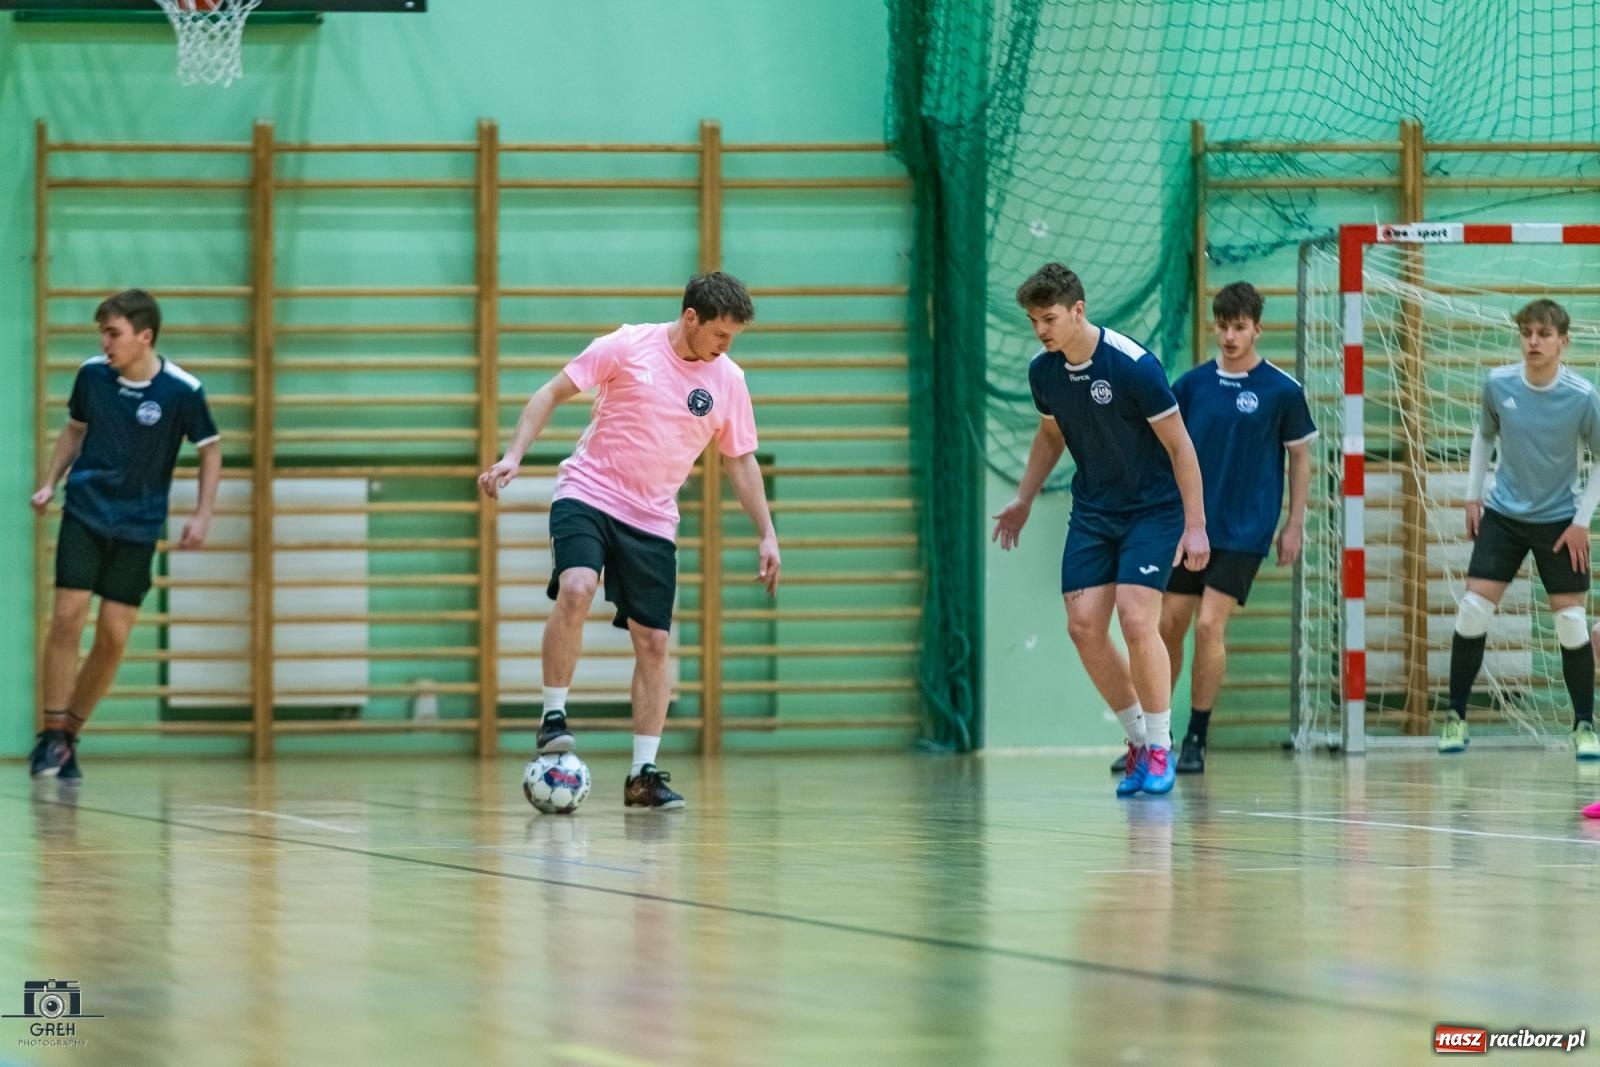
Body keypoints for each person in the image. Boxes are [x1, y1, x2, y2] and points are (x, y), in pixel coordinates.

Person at [479, 271, 781, 811]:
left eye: (732, 338)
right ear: (691, 318)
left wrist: (767, 533)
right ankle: (553, 717)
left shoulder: (728, 380)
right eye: (719, 335)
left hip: (653, 517)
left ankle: (643, 775)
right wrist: (512, 456)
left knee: (655, 642)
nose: (724, 346)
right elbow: (551, 391)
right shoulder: (626, 345)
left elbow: (739, 459)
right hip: (588, 492)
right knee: (575, 588)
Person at [992, 263, 1209, 797]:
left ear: (1078, 310)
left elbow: (1181, 446)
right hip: (1093, 510)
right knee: (1084, 627)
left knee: (1138, 619)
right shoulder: (1044, 372)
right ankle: (1137, 740)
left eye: (1049, 318)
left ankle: (1161, 746)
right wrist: (1023, 498)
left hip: (1152, 511)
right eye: (1033, 321)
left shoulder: (1134, 367)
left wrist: (1196, 526)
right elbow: (1050, 436)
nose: (1041, 330)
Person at [29, 289, 221, 780]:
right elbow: (74, 430)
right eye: (103, 332)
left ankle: (70, 734)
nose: (104, 342)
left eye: (113, 333)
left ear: (144, 336)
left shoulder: (182, 390)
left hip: (138, 525)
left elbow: (210, 449)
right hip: (86, 512)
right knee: (68, 617)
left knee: (113, 636)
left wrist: (202, 515)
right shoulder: (92, 376)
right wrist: (50, 482)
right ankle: (50, 733)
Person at [1155, 282, 1315, 774]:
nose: (1229, 335)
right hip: (1189, 527)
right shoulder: (1191, 385)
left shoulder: (1282, 392)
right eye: (1222, 326)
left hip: (1246, 528)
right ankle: (1153, 739)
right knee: (1167, 626)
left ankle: (1198, 739)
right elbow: (1166, 450)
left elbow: (1301, 460)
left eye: (1239, 327)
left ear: (1257, 329)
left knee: (1209, 624)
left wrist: (1294, 525)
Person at [1445, 299, 1600, 760]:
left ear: (1563, 342)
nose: (1533, 342)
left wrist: (1580, 523)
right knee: (1472, 609)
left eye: (1544, 334)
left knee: (1571, 623)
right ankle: (1455, 718)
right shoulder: (1498, 383)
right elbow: (1484, 436)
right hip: (1505, 517)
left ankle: (1585, 726)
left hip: (1560, 522)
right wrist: (1473, 495)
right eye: (1527, 333)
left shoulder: (1583, 395)